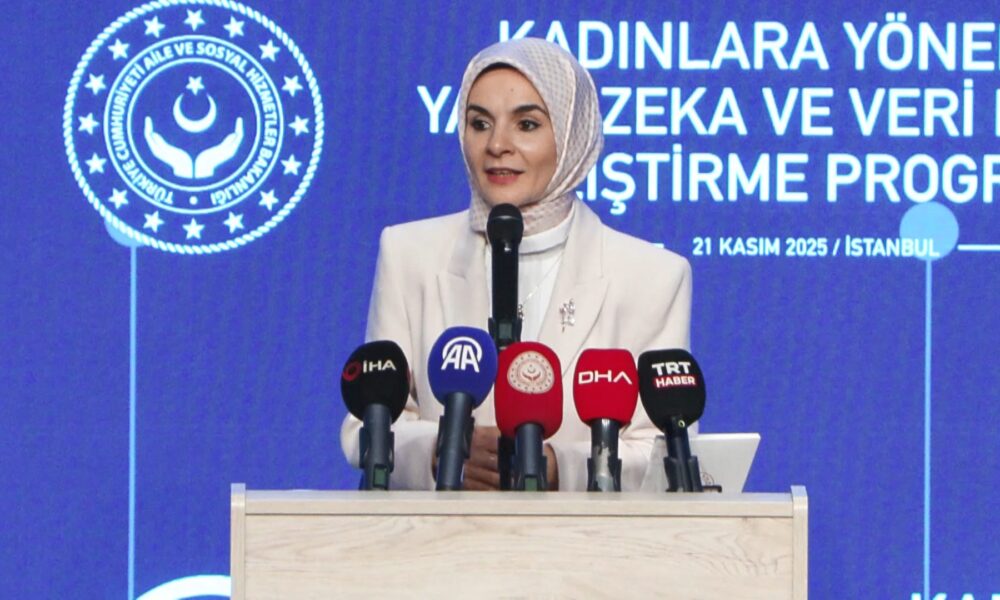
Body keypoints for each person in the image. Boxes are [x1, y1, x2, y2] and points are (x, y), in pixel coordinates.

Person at [341, 38, 692, 491]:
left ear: (571, 136)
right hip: (442, 532)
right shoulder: (409, 253)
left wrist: (559, 466)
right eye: (479, 123)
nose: (497, 145)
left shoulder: (652, 276)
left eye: (526, 124)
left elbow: (663, 450)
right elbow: (366, 422)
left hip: (583, 535)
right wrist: (440, 451)